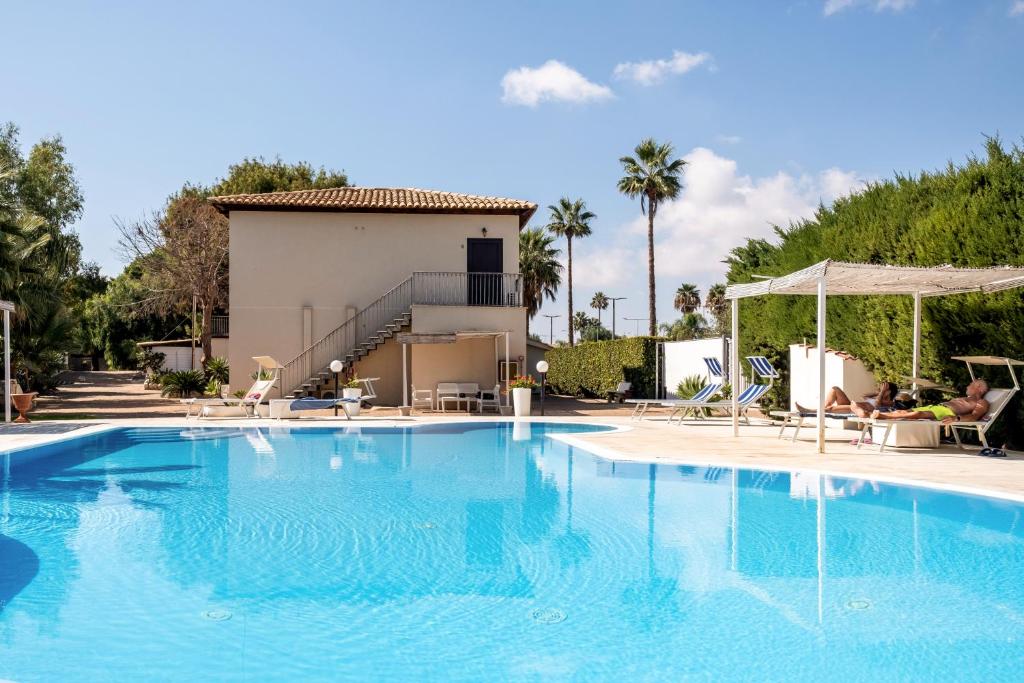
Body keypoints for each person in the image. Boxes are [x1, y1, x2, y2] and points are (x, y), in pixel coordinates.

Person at [871, 379, 989, 424]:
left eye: (971, 384)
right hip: (936, 407)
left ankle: (882, 416)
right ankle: (879, 415)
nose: (967, 386)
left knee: (917, 414)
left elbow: (974, 417)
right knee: (905, 411)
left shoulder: (982, 402)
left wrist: (956, 419)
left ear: (978, 387)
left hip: (946, 412)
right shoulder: (965, 398)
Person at [796, 381, 898, 418]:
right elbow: (864, 396)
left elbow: (878, 405)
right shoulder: (878, 396)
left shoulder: (889, 402)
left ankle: (808, 411)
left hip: (855, 410)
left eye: (883, 388)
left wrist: (882, 392)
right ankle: (823, 409)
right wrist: (879, 392)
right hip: (852, 406)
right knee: (835, 389)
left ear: (889, 392)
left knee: (830, 408)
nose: (880, 389)